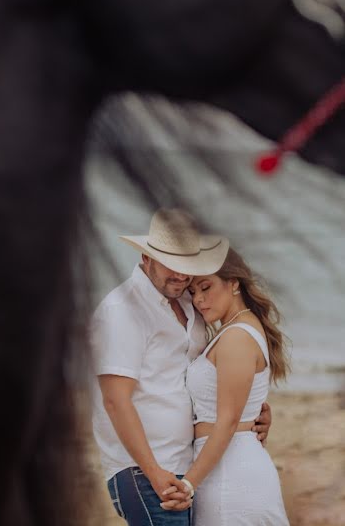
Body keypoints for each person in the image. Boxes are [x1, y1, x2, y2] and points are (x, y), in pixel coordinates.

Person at [90, 209, 271, 526]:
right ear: (147, 257)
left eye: (187, 265)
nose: (181, 275)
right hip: (145, 471)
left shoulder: (191, 304)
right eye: (171, 263)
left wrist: (252, 410)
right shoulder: (121, 310)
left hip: (188, 466)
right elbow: (114, 401)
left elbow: (203, 376)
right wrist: (154, 473)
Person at [170, 248, 290, 524]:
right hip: (227, 466)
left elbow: (228, 421)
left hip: (230, 476)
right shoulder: (234, 329)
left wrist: (188, 484)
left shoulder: (237, 336)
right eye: (192, 292)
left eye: (205, 287)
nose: (198, 299)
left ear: (234, 282)